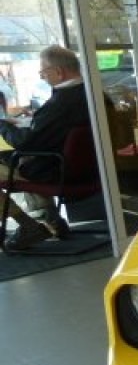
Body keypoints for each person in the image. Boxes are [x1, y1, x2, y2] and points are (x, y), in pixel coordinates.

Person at [0, 45, 91, 251]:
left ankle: (28, 225)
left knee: (18, 161)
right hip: (91, 171)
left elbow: (25, 143)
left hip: (57, 172)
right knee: (20, 160)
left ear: (58, 72)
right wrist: (36, 123)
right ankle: (51, 218)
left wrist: (3, 125)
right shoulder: (94, 95)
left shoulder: (60, 103)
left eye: (43, 72)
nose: (42, 78)